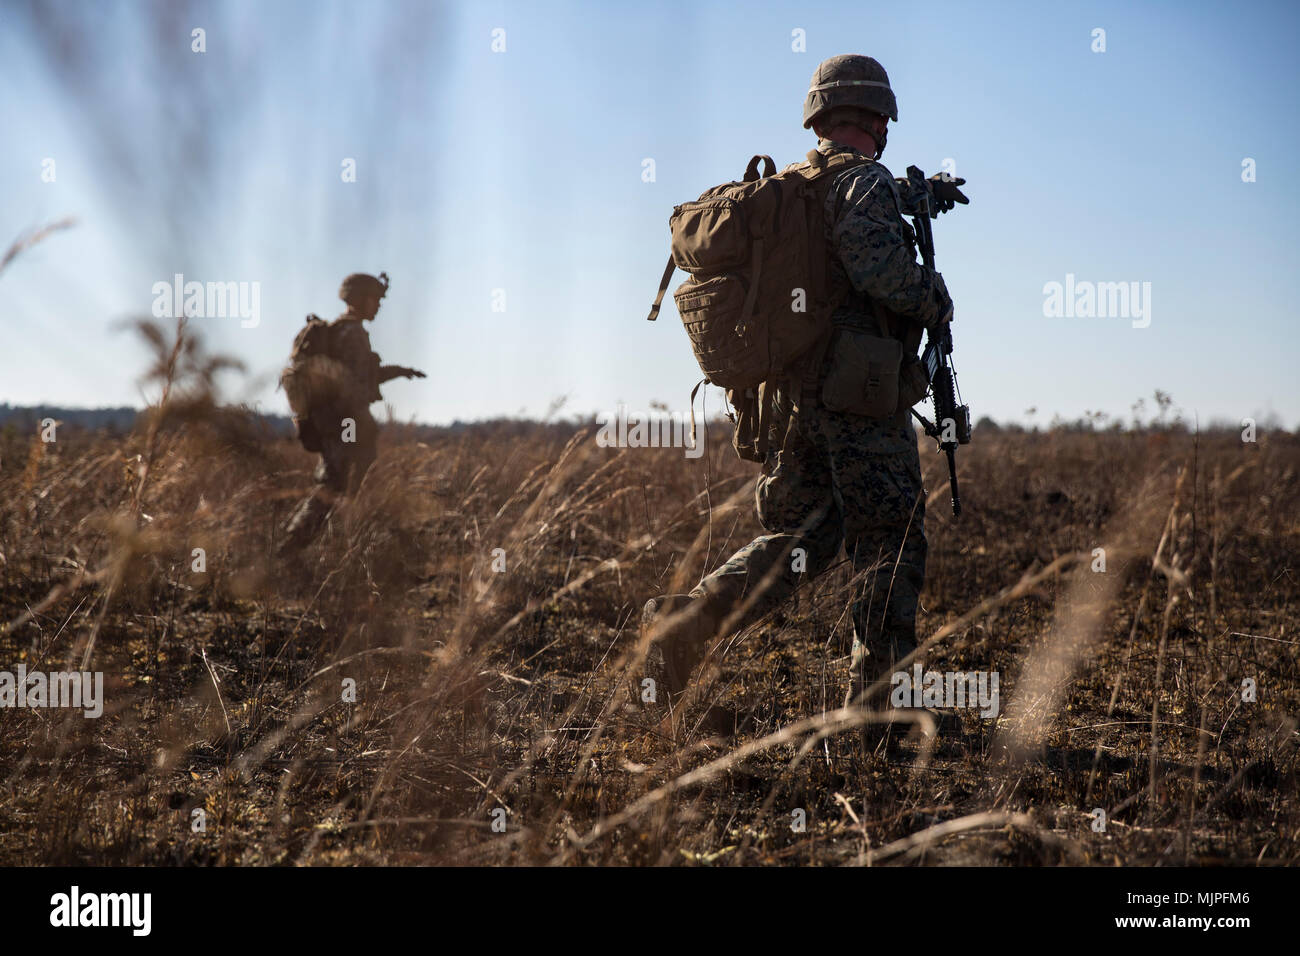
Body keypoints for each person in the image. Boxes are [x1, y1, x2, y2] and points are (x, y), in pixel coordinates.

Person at [643, 54, 967, 713]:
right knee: (889, 540)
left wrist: (916, 194)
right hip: (857, 396)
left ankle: (685, 625)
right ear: (879, 119)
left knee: (806, 536)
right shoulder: (866, 182)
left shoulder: (791, 186)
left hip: (786, 397)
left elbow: (836, 224)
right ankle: (883, 712)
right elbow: (879, 268)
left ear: (817, 118)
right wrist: (935, 297)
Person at [280, 272, 425, 550]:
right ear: (359, 300)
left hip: (338, 422)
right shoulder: (352, 334)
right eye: (375, 299)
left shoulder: (343, 332)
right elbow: (352, 384)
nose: (379, 306)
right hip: (343, 423)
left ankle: (315, 546)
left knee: (341, 485)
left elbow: (356, 377)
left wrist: (399, 372)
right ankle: (291, 547)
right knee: (334, 486)